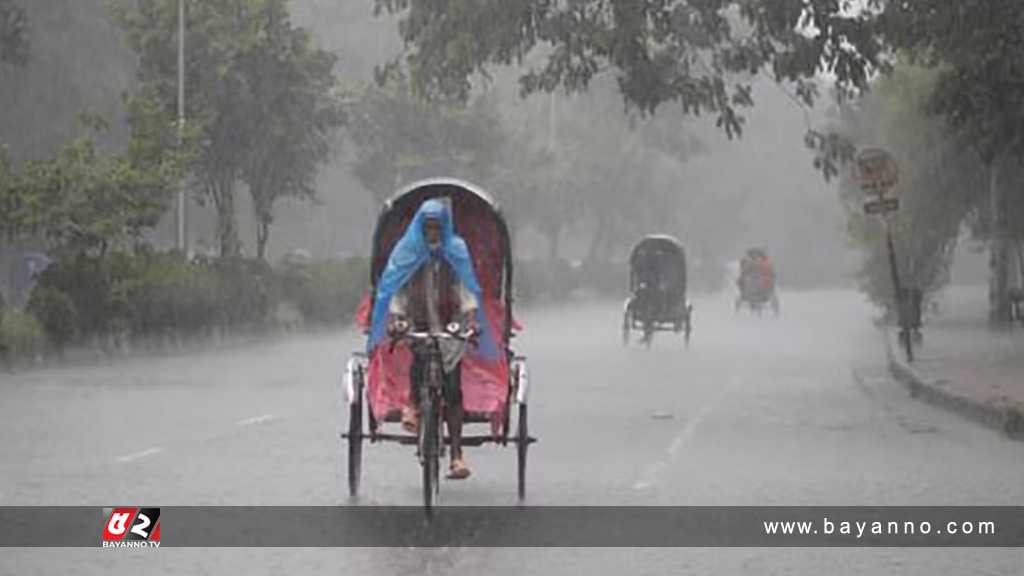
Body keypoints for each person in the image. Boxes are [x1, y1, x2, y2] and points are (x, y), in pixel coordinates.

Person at [367, 198, 491, 480]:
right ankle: (412, 405)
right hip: (418, 322)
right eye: (428, 227)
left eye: (437, 227)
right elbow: (397, 289)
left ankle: (457, 455)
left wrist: (471, 318)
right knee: (419, 359)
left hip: (451, 325)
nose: (432, 233)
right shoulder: (407, 250)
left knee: (453, 389)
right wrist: (396, 318)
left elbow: (466, 288)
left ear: (444, 227)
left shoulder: (456, 250)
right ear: (420, 228)